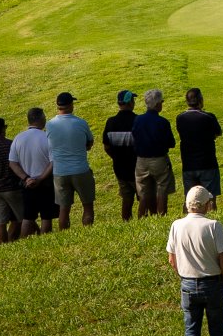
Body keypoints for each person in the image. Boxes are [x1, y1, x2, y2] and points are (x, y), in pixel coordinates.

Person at [166, 186, 223, 336]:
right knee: (217, 331)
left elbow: (172, 259)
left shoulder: (176, 225)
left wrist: (183, 275)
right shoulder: (213, 226)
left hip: (187, 284)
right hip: (212, 283)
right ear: (206, 205)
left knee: (191, 332)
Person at [46, 92, 96, 229]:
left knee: (64, 209)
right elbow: (89, 142)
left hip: (60, 172)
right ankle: (88, 232)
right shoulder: (80, 123)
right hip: (80, 169)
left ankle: (64, 235)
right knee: (88, 206)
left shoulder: (50, 125)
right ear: (71, 105)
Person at [8, 107, 57, 237]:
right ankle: (45, 240)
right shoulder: (47, 137)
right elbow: (53, 162)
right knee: (46, 216)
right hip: (45, 183)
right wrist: (40, 178)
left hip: (27, 184)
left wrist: (26, 178)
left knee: (28, 216)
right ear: (41, 119)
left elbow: (12, 163)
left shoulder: (18, 138)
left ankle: (24, 240)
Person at [132, 89, 177, 218]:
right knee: (162, 189)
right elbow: (171, 143)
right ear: (157, 104)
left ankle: (141, 217)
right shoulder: (162, 122)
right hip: (159, 159)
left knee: (143, 191)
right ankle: (161, 217)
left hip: (141, 161)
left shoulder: (138, 120)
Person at [177, 88, 223, 210]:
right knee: (210, 198)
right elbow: (218, 133)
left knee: (189, 198)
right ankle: (211, 219)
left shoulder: (180, 118)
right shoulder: (208, 117)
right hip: (207, 163)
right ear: (200, 100)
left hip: (188, 164)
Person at [104, 90, 139, 222]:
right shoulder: (137, 120)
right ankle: (144, 221)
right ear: (130, 103)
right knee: (144, 198)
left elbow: (106, 146)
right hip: (137, 167)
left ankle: (126, 223)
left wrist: (115, 157)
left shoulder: (111, 122)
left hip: (119, 167)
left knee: (126, 198)